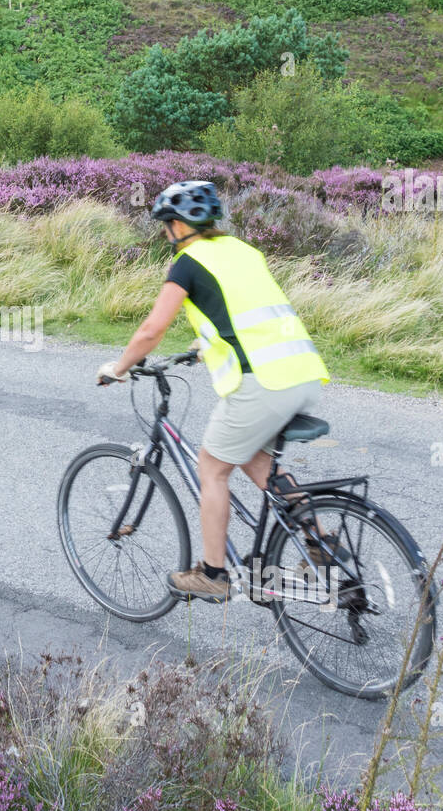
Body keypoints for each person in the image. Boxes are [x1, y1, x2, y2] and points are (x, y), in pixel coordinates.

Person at [96, 180, 329, 602]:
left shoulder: (186, 262)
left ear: (177, 226)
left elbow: (151, 330)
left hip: (263, 382)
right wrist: (207, 342)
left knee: (212, 466)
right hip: (302, 372)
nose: (166, 232)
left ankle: (214, 574)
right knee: (256, 461)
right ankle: (321, 545)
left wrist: (118, 368)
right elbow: (244, 310)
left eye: (167, 224)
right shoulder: (243, 251)